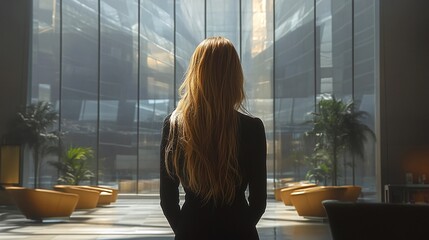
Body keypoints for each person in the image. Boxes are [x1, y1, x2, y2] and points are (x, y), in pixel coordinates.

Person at [160, 36, 267, 240]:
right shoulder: (253, 128)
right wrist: (238, 225)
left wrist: (186, 229)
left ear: (196, 74)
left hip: (191, 229)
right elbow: (259, 203)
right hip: (239, 230)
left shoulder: (174, 125)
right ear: (235, 77)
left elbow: (168, 201)